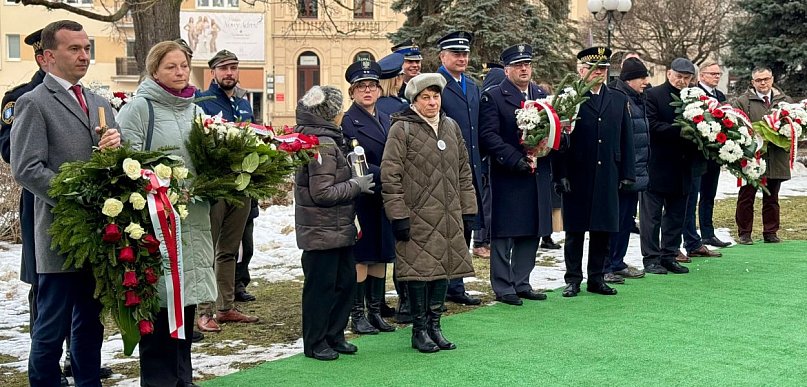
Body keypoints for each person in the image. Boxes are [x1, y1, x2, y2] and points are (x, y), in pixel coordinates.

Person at [10, 20, 121, 387]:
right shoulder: (33, 102)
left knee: (90, 324)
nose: (84, 56)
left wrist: (117, 157)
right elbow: (27, 168)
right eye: (74, 49)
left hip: (98, 235)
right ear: (46, 58)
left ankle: (89, 382)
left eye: (87, 48)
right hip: (59, 235)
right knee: (50, 328)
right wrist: (80, 196)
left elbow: (114, 166)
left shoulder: (99, 102)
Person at [115, 40, 215, 387]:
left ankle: (182, 378)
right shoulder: (140, 108)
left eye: (184, 66)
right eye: (171, 66)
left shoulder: (195, 109)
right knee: (160, 304)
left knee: (183, 303)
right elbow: (125, 163)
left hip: (191, 218)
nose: (179, 72)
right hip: (156, 223)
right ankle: (159, 380)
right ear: (154, 69)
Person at [381, 73, 477, 353]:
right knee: (419, 274)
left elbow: (463, 171)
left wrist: (468, 209)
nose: (432, 102)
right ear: (415, 100)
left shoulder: (450, 126)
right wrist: (397, 215)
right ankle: (419, 330)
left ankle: (436, 327)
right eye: (426, 97)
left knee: (442, 271)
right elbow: (391, 174)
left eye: (436, 96)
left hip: (447, 215)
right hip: (416, 215)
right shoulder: (403, 129)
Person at [294, 85, 375, 361]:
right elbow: (322, 193)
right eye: (338, 108)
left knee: (344, 281)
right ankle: (316, 342)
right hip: (322, 228)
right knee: (321, 288)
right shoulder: (323, 144)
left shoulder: (327, 138)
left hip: (337, 227)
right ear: (330, 112)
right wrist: (356, 184)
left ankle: (334, 335)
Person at [553, 46, 635, 297]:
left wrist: (627, 173)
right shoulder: (569, 99)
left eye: (603, 69)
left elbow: (626, 138)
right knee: (575, 231)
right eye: (593, 68)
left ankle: (597, 278)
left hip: (608, 173)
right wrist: (561, 174)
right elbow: (559, 141)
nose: (598, 73)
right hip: (578, 174)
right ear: (581, 70)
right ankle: (573, 279)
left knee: (603, 230)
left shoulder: (619, 98)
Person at [478, 44, 551, 306]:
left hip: (536, 173)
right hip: (508, 174)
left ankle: (522, 281)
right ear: (507, 69)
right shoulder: (494, 96)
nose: (524, 69)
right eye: (518, 65)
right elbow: (488, 136)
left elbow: (551, 129)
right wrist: (514, 159)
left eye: (527, 64)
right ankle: (503, 285)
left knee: (532, 229)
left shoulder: (541, 94)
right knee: (504, 231)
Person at [195, 49, 259, 333]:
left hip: (241, 185)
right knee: (207, 250)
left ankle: (226, 307)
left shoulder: (244, 103)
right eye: (224, 68)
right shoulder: (203, 101)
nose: (229, 73)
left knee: (230, 250)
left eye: (233, 67)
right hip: (215, 186)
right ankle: (204, 310)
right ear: (213, 73)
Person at [340, 60, 396, 335]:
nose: (367, 91)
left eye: (372, 86)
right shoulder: (349, 122)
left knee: (380, 254)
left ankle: (376, 311)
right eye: (361, 87)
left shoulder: (386, 117)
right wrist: (391, 173)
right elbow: (355, 162)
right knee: (362, 255)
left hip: (385, 197)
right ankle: (358, 314)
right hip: (364, 195)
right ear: (352, 92)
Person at [642, 58, 701, 275]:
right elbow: (652, 125)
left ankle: (670, 254)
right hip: (658, 164)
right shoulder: (653, 95)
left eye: (687, 78)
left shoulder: (695, 98)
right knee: (652, 217)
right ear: (669, 74)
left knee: (677, 215)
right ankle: (651, 258)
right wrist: (680, 131)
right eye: (679, 76)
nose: (682, 81)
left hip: (683, 165)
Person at [436, 31, 482, 306]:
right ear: (442, 56)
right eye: (456, 54)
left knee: (464, 226)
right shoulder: (435, 85)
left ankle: (457, 284)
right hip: (443, 169)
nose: (462, 58)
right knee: (443, 231)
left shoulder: (472, 86)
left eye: (465, 54)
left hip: (469, 169)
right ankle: (440, 286)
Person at [732, 67, 793, 245]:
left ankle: (770, 232)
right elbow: (736, 126)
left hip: (776, 156)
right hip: (752, 157)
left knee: (772, 197)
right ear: (753, 82)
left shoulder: (785, 101)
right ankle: (744, 233)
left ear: (772, 79)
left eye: (766, 79)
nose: (763, 83)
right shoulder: (742, 102)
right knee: (746, 196)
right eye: (759, 80)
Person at [605, 57, 651, 283]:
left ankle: (617, 261)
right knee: (613, 221)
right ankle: (605, 265)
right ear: (630, 79)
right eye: (642, 77)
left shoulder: (637, 99)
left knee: (626, 220)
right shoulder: (618, 98)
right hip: (621, 172)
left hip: (635, 171)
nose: (646, 81)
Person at [678, 61, 728, 262]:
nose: (716, 77)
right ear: (701, 76)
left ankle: (707, 232)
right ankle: (690, 238)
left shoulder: (720, 96)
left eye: (718, 74)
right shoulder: (693, 94)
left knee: (709, 194)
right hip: (696, 156)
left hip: (714, 154)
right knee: (692, 198)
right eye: (712, 73)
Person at [471, 62, 504, 260]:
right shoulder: (488, 100)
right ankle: (480, 240)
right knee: (485, 203)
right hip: (484, 162)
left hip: (488, 161)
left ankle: (485, 239)